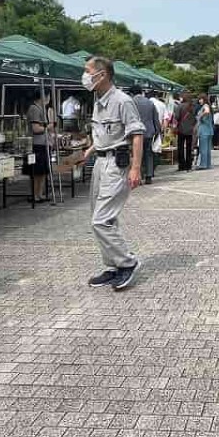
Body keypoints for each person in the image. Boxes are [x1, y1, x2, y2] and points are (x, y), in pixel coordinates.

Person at [74, 56, 145, 291]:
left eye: (88, 71)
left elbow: (136, 134)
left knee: (100, 220)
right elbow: (104, 134)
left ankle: (128, 262)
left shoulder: (122, 101)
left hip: (117, 165)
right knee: (103, 217)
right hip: (100, 162)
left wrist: (136, 168)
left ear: (102, 74)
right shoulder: (98, 100)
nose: (84, 75)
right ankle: (113, 266)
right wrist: (89, 150)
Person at [26, 88, 54, 203]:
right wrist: (49, 127)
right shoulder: (34, 109)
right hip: (37, 144)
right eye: (48, 96)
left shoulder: (42, 109)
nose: (49, 99)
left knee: (43, 172)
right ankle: (35, 195)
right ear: (43, 97)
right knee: (37, 171)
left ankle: (40, 194)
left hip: (44, 143)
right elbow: (35, 128)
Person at [130, 85, 161, 184]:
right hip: (149, 132)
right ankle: (148, 175)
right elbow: (155, 119)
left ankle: (139, 175)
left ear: (132, 93)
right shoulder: (150, 103)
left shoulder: (131, 102)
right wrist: (157, 131)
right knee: (148, 153)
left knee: (137, 154)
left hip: (135, 132)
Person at [174, 93, 195, 171]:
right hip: (190, 129)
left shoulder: (180, 106)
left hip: (181, 129)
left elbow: (177, 117)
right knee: (189, 148)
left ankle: (181, 165)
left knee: (181, 147)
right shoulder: (192, 106)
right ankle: (189, 165)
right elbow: (195, 118)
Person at [196, 95, 214, 169]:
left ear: (204, 99)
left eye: (201, 99)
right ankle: (208, 164)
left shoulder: (205, 106)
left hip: (204, 130)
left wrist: (200, 116)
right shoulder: (209, 106)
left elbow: (206, 111)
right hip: (209, 130)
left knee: (203, 148)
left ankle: (203, 164)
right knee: (207, 149)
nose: (199, 101)